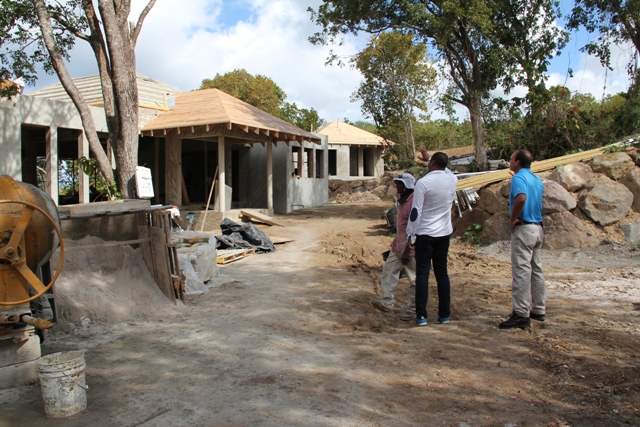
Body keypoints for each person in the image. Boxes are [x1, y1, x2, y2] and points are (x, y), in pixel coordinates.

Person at [406, 151, 458, 326]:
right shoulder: (452, 180)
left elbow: (416, 211)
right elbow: (447, 169)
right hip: (444, 233)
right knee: (442, 273)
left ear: (433, 163)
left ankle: (421, 316)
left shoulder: (423, 183)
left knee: (422, 274)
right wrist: (430, 157)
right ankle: (444, 314)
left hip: (425, 234)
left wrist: (410, 234)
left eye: (429, 161)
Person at [499, 149, 546, 329]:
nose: (509, 161)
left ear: (517, 162)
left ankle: (520, 314)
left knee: (521, 271)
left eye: (511, 159)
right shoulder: (536, 179)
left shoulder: (518, 179)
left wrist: (513, 219)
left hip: (524, 227)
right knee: (536, 269)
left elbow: (521, 197)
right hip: (537, 227)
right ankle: (539, 308)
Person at [370, 173, 417, 321]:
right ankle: (386, 303)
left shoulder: (413, 202)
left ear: (408, 185)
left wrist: (408, 250)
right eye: (397, 184)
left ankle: (413, 310)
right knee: (389, 271)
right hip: (398, 246)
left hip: (410, 249)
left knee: (414, 280)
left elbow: (415, 228)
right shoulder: (403, 201)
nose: (397, 187)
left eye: (400, 184)